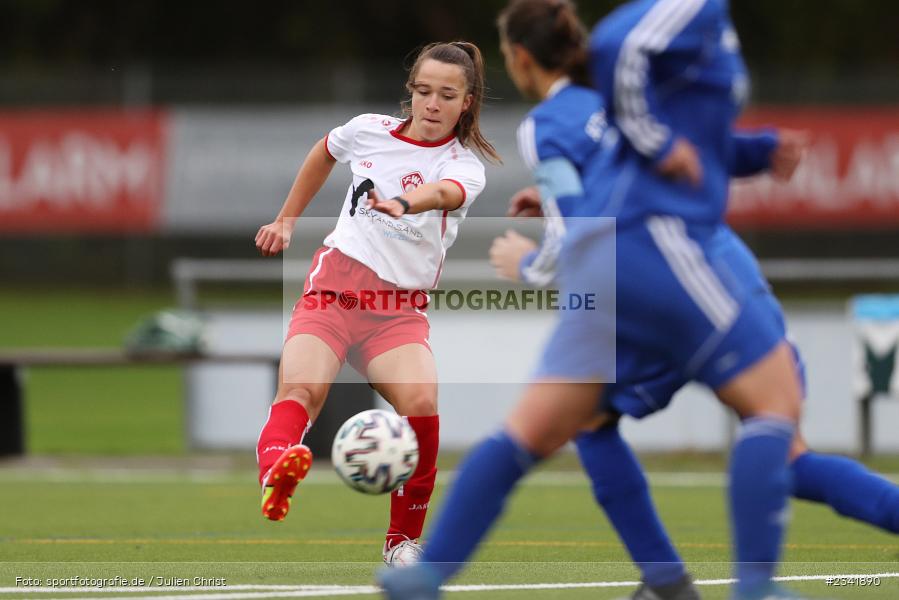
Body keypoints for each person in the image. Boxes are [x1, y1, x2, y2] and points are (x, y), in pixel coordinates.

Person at [381, 1, 808, 599]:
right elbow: (624, 179)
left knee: (529, 433)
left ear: (521, 60)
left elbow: (580, 217)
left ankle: (428, 576)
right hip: (658, 256)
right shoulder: (616, 93)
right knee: (775, 409)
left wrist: (528, 265)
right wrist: (754, 151)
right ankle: (733, 586)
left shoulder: (549, 120)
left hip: (617, 272)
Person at [253, 41, 498, 566]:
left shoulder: (465, 166)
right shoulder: (369, 129)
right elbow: (324, 151)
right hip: (334, 290)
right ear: (409, 92)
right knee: (302, 388)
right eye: (423, 91)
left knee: (421, 407)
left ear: (467, 103)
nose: (432, 104)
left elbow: (446, 194)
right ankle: (277, 468)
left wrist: (405, 201)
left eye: (446, 95)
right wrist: (287, 218)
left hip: (397, 312)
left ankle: (401, 543)